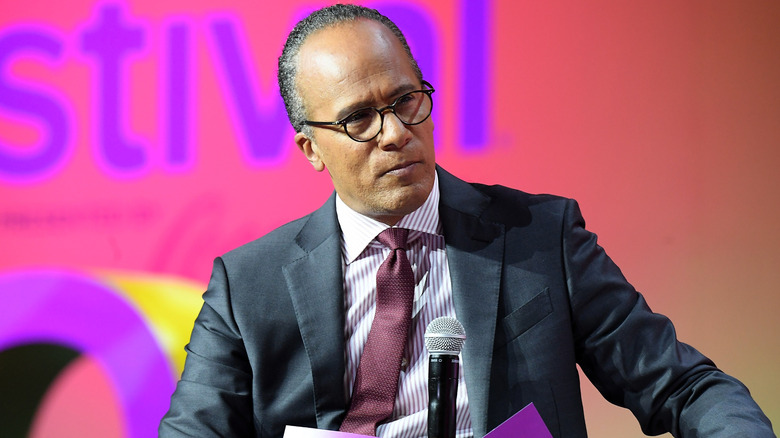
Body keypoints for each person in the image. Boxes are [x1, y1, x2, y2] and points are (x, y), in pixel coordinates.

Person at [159, 4, 774, 438]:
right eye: (358, 120)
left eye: (406, 102)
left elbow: (682, 386)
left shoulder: (541, 237)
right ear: (310, 149)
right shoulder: (249, 286)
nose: (396, 134)